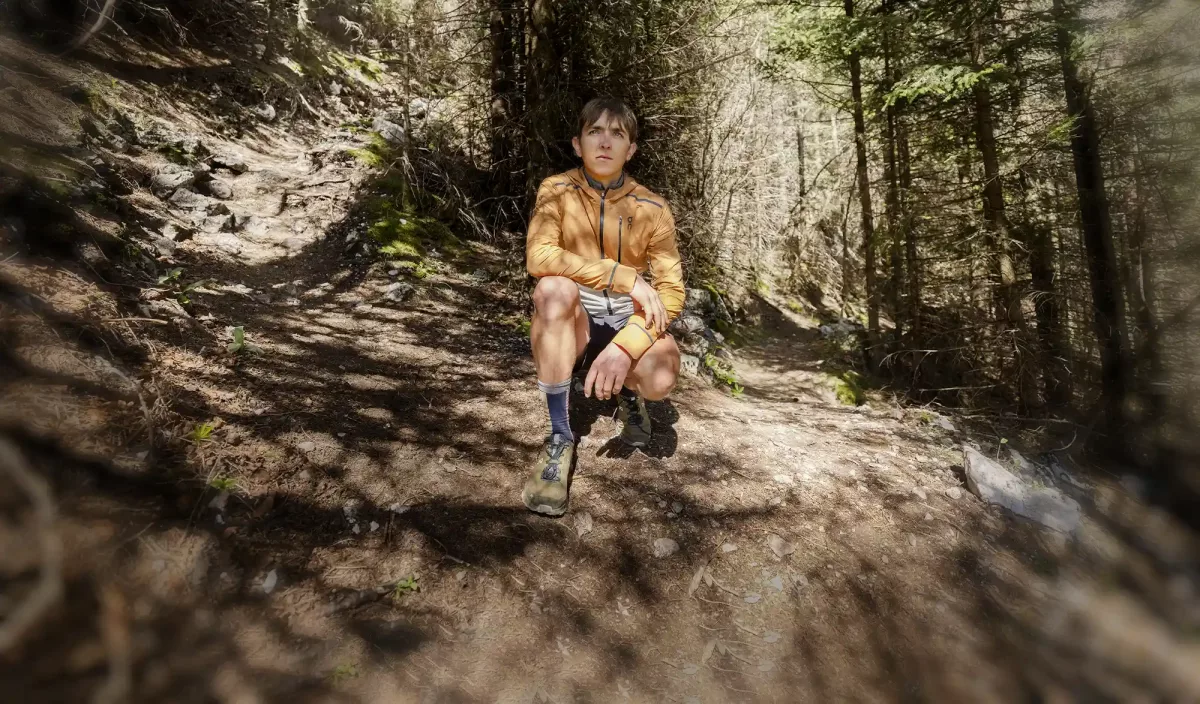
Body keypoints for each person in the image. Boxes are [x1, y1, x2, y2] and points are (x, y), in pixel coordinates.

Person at [521, 97, 685, 516]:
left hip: (625, 323)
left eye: (618, 134)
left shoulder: (653, 207)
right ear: (578, 144)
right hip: (577, 322)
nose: (606, 142)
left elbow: (670, 292)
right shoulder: (556, 190)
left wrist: (625, 346)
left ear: (631, 149)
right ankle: (560, 436)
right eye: (596, 131)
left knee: (662, 373)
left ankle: (629, 393)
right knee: (552, 291)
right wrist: (622, 275)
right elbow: (539, 257)